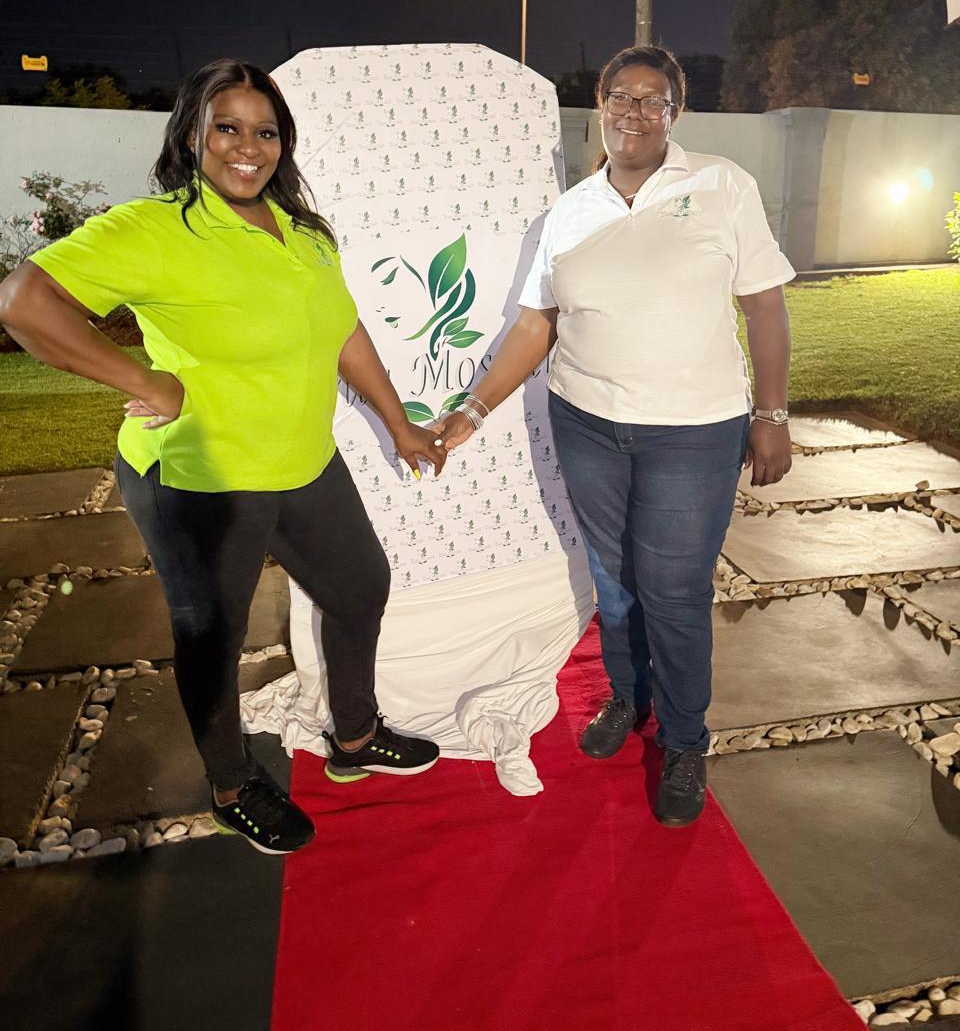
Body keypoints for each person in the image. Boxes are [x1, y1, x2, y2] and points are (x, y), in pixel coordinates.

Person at [0, 58, 447, 855]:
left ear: (283, 143)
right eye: (227, 127)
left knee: (360, 589)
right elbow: (23, 301)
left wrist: (398, 423)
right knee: (214, 634)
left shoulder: (304, 232)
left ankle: (353, 738)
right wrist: (146, 382)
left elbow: (341, 329)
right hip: (200, 477)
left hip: (302, 460)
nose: (248, 146)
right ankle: (233, 785)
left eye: (265, 131)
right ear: (191, 136)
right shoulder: (154, 228)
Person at [435, 45, 794, 827]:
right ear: (600, 105)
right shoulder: (569, 212)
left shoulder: (721, 184)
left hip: (693, 432)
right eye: (621, 97)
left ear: (675, 112)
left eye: (652, 99)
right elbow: (536, 323)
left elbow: (764, 306)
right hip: (588, 424)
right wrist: (474, 409)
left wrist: (771, 416)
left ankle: (686, 739)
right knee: (614, 578)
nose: (635, 111)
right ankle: (629, 697)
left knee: (673, 589)